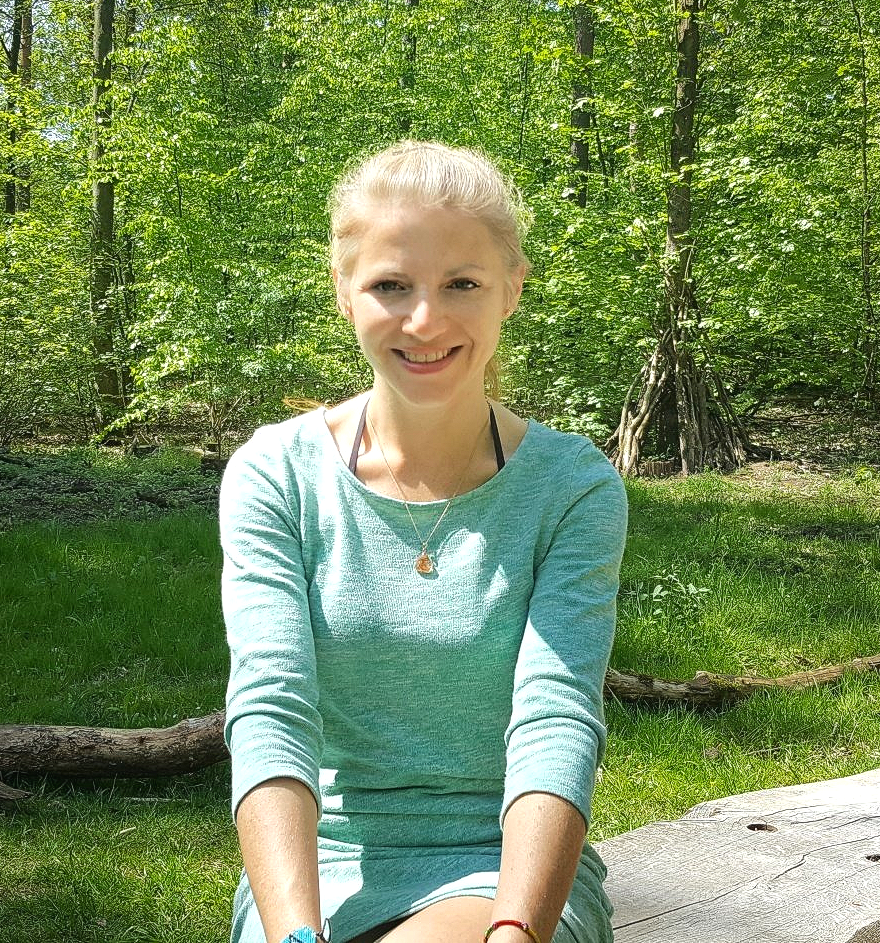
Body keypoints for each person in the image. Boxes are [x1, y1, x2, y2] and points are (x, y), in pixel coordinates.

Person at [220, 140, 627, 943]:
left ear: (512, 289)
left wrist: (514, 932)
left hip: (505, 869)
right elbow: (270, 710)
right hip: (313, 875)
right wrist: (294, 935)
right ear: (344, 292)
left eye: (461, 284)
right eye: (390, 285)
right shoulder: (276, 475)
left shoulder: (572, 488)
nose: (425, 320)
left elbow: (557, 720)